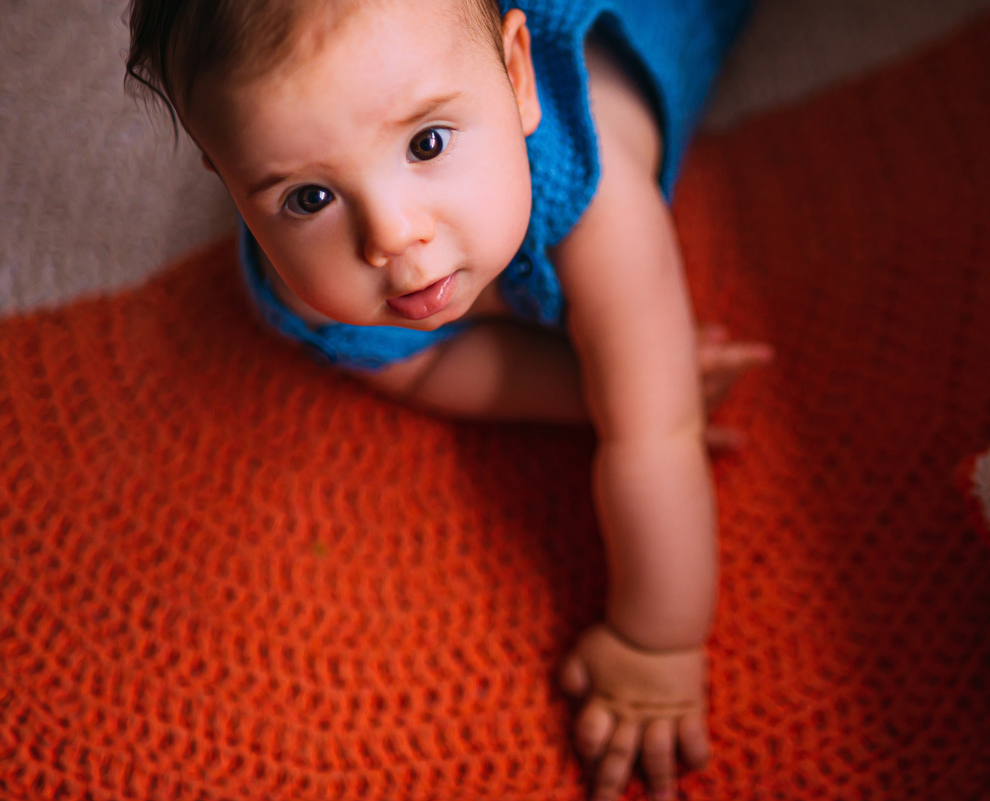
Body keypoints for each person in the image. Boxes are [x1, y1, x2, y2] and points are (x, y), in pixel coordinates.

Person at [125, 1, 771, 799]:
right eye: (308, 198)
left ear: (518, 77)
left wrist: (655, 644)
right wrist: (594, 384)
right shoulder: (305, 297)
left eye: (427, 144)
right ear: (229, 179)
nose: (391, 237)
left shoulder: (592, 195)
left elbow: (657, 432)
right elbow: (423, 368)